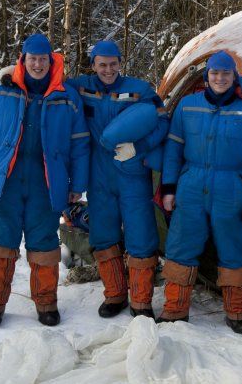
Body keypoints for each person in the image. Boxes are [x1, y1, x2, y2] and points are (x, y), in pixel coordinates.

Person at [0, 33, 90, 328]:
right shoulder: (1, 89)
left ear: (51, 60)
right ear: (23, 60)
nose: (37, 64)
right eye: (32, 59)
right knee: (0, 242)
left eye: (42, 59)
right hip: (6, 179)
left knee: (44, 244)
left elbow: (80, 143)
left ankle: (47, 303)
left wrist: (76, 184)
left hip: (47, 182)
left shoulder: (66, 95)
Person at [159, 51, 242, 334]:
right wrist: (169, 189)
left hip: (231, 186)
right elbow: (173, 150)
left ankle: (237, 312)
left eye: (225, 73)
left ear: (234, 76)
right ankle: (174, 307)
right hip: (191, 184)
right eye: (214, 73)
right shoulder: (188, 106)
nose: (220, 78)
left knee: (233, 244)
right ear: (206, 76)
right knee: (181, 242)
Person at [64, 40, 168, 319]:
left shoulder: (139, 89)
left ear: (120, 63)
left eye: (113, 64)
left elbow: (162, 121)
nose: (108, 70)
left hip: (132, 172)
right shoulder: (80, 87)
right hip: (98, 174)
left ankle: (142, 301)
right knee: (103, 232)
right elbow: (48, 85)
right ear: (93, 64)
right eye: (102, 64)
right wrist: (12, 76)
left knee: (141, 233)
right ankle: (115, 295)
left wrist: (140, 147)